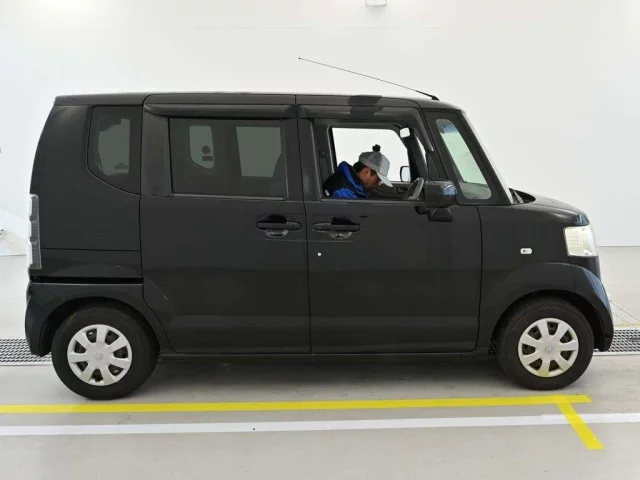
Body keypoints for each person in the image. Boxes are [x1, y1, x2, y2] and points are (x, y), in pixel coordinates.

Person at [323, 145, 393, 199]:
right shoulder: (344, 192)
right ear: (366, 172)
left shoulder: (354, 184)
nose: (377, 185)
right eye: (378, 180)